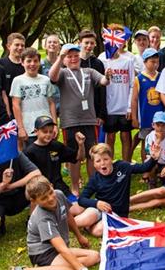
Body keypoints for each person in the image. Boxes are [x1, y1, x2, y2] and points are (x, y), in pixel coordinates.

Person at [12, 176, 99, 270]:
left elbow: (68, 216)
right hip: (43, 253)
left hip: (57, 249)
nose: (51, 199)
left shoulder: (58, 194)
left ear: (52, 186)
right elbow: (61, 248)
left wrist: (79, 236)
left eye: (50, 192)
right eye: (44, 198)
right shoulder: (43, 218)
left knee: (95, 256)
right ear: (34, 201)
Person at [48, 43, 108, 191]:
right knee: (74, 156)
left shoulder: (89, 72)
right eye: (70, 56)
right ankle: (75, 187)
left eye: (76, 56)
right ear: (65, 60)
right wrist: (60, 57)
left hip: (89, 120)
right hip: (70, 122)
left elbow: (104, 81)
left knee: (91, 154)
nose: (74, 59)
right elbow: (52, 76)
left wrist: (108, 76)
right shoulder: (63, 72)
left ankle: (93, 185)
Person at [76, 142, 161, 233]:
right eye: (98, 161)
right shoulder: (95, 179)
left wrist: (153, 158)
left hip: (117, 214)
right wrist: (97, 203)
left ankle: (89, 227)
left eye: (105, 159)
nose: (103, 163)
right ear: (94, 164)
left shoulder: (123, 166)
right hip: (99, 208)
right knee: (80, 221)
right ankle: (76, 223)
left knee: (97, 231)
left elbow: (144, 168)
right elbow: (81, 199)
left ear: (111, 159)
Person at [24, 115, 84, 208]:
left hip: (60, 187)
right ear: (36, 132)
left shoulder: (56, 146)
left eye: (51, 131)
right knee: (54, 210)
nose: (48, 134)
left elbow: (79, 157)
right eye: (45, 131)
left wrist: (80, 145)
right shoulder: (29, 152)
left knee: (79, 208)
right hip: (42, 191)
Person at [0, 152, 42, 236]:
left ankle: (31, 222)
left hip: (19, 194)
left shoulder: (15, 153)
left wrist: (10, 186)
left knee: (39, 183)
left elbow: (36, 173)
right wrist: (3, 185)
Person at [99, 24, 137, 161]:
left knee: (126, 136)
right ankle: (109, 163)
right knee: (110, 136)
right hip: (109, 106)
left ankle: (126, 164)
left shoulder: (128, 61)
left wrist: (129, 107)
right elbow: (100, 82)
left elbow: (132, 84)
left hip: (124, 106)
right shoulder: (102, 58)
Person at [10, 48, 57, 147]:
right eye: (29, 61)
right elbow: (15, 105)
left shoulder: (46, 80)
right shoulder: (18, 81)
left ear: (39, 63)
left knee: (48, 159)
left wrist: (54, 125)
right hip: (28, 128)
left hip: (46, 127)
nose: (32, 64)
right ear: (22, 62)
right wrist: (21, 128)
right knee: (31, 159)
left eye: (36, 61)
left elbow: (51, 103)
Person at [131, 48, 163, 163]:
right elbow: (134, 99)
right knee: (146, 142)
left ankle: (158, 166)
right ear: (145, 62)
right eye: (152, 62)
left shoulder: (161, 76)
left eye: (157, 62)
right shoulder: (138, 79)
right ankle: (146, 170)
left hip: (160, 116)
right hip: (145, 117)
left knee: (159, 140)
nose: (155, 64)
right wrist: (134, 118)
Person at [143, 111, 165, 188]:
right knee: (149, 166)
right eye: (158, 125)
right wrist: (158, 140)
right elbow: (151, 155)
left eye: (163, 125)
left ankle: (164, 178)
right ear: (153, 125)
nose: (160, 128)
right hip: (153, 161)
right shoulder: (149, 137)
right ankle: (152, 181)